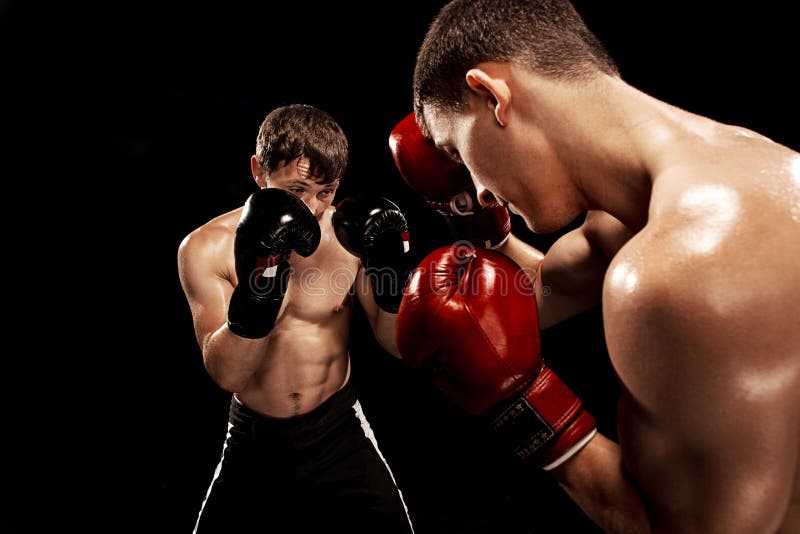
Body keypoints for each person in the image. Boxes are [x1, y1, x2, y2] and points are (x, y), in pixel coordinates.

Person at [401, 0, 800, 532]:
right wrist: (483, 229)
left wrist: (533, 416)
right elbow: (527, 298)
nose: (477, 189)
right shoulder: (741, 161)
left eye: (458, 151)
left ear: (492, 95)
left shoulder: (681, 267)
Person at [177, 103, 415, 533]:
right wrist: (261, 281)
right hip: (254, 439)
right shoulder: (205, 248)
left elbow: (395, 343)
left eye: (325, 192)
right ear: (257, 171)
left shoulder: (350, 236)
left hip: (338, 429)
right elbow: (229, 373)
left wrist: (391, 277)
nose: (313, 208)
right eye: (296, 190)